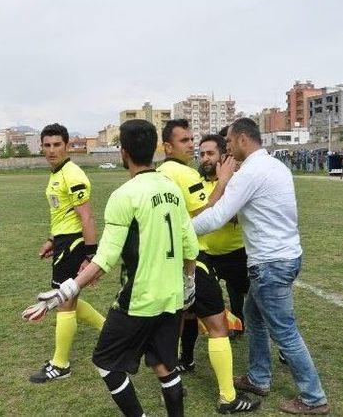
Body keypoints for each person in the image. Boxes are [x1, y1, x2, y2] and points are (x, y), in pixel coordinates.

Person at [22, 119, 214, 416]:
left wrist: (63, 293)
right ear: (154, 150)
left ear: (123, 152)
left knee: (104, 361)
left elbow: (104, 259)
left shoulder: (124, 196)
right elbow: (190, 246)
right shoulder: (172, 189)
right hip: (172, 296)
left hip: (139, 300)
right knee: (163, 363)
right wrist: (188, 283)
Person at [192, 118, 329, 415]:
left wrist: (182, 230)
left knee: (285, 331)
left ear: (242, 140)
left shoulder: (249, 173)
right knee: (253, 316)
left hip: (270, 264)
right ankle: (258, 377)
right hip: (285, 257)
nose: (227, 149)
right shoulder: (276, 166)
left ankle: (313, 397)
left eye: (228, 143)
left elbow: (217, 217)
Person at [157, 119, 257, 413]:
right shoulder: (185, 173)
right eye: (185, 141)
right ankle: (228, 397)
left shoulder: (159, 173)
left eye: (193, 140)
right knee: (216, 324)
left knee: (181, 316)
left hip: (172, 259)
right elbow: (205, 211)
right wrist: (224, 183)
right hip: (194, 257)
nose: (192, 147)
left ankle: (176, 371)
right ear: (167, 146)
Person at [29, 123, 105, 383]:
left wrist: (89, 256)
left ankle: (60, 365)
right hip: (63, 242)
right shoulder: (57, 173)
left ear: (67, 145)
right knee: (68, 296)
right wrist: (52, 239)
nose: (52, 150)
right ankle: (109, 331)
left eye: (57, 145)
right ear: (42, 147)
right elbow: (62, 213)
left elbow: (87, 218)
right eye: (47, 145)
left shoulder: (73, 175)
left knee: (64, 300)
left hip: (74, 245)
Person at [198, 134, 248, 338]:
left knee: (253, 297)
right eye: (201, 154)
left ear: (223, 156)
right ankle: (221, 329)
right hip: (207, 254)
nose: (205, 158)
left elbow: (237, 218)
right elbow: (197, 214)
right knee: (205, 297)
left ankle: (242, 325)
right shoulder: (195, 182)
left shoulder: (238, 181)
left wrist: (223, 186)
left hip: (237, 252)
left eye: (210, 153)